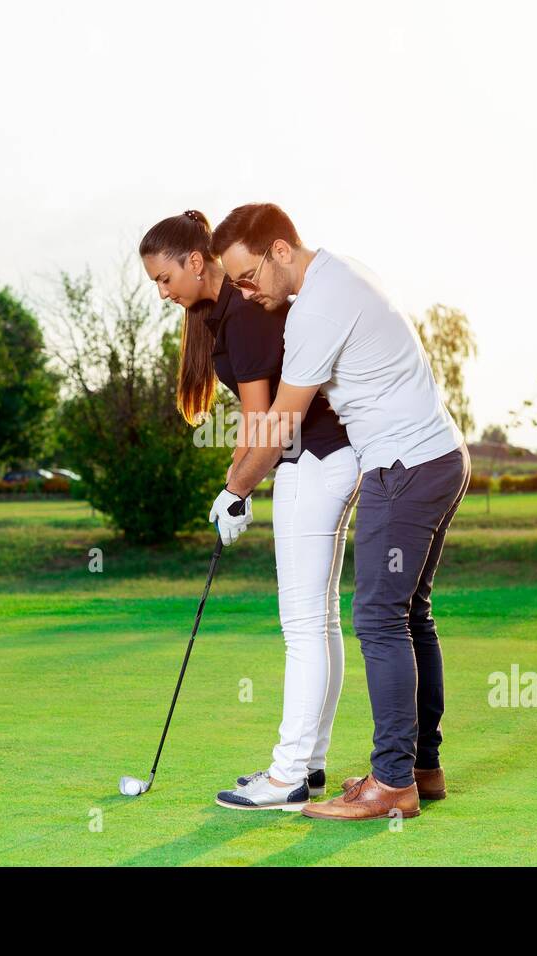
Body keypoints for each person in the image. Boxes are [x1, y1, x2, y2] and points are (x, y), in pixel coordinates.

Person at [208, 203, 470, 821]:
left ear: (278, 250)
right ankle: (418, 769)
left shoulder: (316, 309)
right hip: (438, 455)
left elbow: (277, 426)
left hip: (403, 466)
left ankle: (391, 785)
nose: (244, 292)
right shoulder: (341, 275)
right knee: (411, 615)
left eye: (247, 276)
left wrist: (234, 488)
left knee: (378, 617)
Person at [140, 210, 359, 811]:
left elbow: (266, 423)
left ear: (194, 261)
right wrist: (235, 481)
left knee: (304, 624)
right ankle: (308, 768)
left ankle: (288, 774)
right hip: (314, 461)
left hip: (313, 460)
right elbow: (250, 421)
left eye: (164, 279)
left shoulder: (246, 313)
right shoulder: (221, 314)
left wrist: (238, 489)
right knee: (319, 619)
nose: (163, 293)